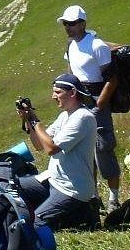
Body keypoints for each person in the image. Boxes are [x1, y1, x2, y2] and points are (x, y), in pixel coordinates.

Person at [14, 73, 100, 231]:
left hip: (72, 190)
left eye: (58, 92)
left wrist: (36, 121)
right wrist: (28, 120)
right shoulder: (64, 116)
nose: (53, 96)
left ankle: (82, 212)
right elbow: (39, 144)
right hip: (53, 180)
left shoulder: (83, 117)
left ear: (73, 93)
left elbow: (51, 149)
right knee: (10, 188)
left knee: (33, 224)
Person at [58, 5, 121, 211]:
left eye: (72, 24)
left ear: (83, 24)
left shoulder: (97, 46)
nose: (68, 27)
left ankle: (113, 198)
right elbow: (71, 77)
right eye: (66, 24)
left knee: (103, 148)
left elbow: (111, 80)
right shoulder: (70, 47)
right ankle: (92, 197)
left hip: (96, 104)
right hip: (79, 104)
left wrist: (99, 106)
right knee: (83, 151)